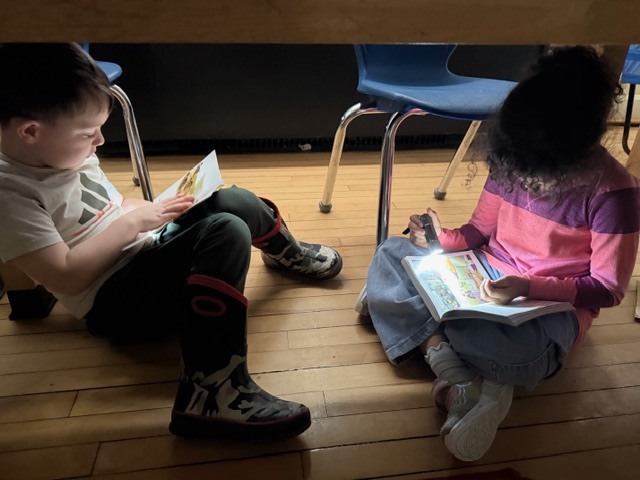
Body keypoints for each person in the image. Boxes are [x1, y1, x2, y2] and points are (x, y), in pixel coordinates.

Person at [0, 43, 343, 442]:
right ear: (30, 131)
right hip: (114, 303)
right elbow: (65, 277)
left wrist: (154, 210)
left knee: (232, 200)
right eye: (88, 133)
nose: (99, 141)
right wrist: (134, 225)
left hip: (141, 251)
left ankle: (286, 254)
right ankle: (208, 393)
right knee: (226, 230)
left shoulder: (57, 151)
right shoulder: (10, 195)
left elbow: (109, 206)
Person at [358, 46, 640, 461]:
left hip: (547, 310)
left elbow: (607, 289)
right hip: (486, 275)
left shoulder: (614, 193)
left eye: (538, 167)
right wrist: (438, 239)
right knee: (390, 252)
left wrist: (527, 286)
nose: (524, 176)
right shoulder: (516, 155)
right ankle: (461, 379)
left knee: (501, 343)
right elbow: (476, 233)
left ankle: (415, 325)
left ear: (575, 146)